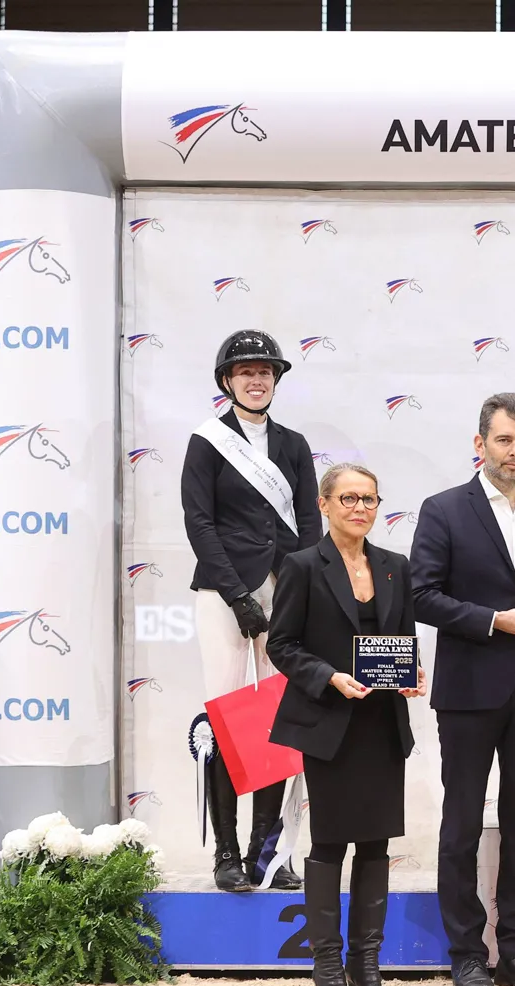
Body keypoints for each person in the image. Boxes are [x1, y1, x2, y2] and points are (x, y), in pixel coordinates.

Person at [411, 393, 515, 986]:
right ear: (481, 444)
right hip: (469, 690)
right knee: (461, 825)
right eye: (504, 440)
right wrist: (493, 620)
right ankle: (466, 954)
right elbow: (422, 595)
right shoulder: (444, 509)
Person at [267, 462, 428, 986]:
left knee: (377, 845)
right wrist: (328, 677)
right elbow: (281, 645)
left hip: (382, 724)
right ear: (325, 504)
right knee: (331, 844)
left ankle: (367, 967)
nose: (360, 508)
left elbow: (402, 638)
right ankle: (328, 971)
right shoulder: (301, 565)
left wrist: (410, 674)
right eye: (349, 498)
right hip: (329, 725)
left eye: (370, 499)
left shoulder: (395, 566)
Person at [180, 329, 320, 892]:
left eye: (265, 371)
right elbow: (199, 522)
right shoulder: (207, 442)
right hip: (223, 592)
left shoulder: (294, 444)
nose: (256, 379)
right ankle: (226, 854)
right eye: (246, 372)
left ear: (276, 380)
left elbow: (309, 525)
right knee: (226, 715)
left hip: (285, 589)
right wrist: (238, 595)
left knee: (277, 717)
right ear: (227, 381)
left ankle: (268, 852)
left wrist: (303, 591)